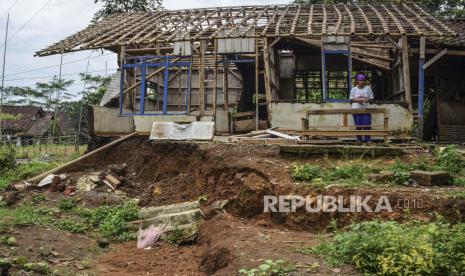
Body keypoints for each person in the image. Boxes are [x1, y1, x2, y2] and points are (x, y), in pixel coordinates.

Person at [349, 73, 374, 142]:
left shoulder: (368, 89)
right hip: (356, 109)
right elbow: (350, 100)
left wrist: (367, 100)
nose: (361, 82)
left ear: (365, 81)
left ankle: (367, 139)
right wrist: (357, 100)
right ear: (357, 81)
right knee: (358, 125)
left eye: (363, 80)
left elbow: (372, 99)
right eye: (359, 80)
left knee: (367, 124)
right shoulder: (353, 89)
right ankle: (359, 139)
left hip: (366, 109)